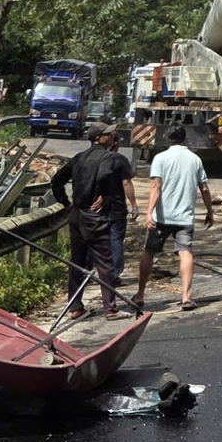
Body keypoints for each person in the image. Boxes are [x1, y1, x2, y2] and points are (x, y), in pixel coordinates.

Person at [50, 126, 126, 319]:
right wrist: (104, 195)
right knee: (105, 263)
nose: (113, 136)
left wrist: (65, 202)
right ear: (99, 138)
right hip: (94, 216)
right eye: (109, 134)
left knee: (77, 262)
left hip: (76, 215)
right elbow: (104, 176)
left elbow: (56, 180)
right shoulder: (108, 157)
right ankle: (111, 309)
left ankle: (75, 307)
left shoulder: (79, 157)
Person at [136, 127, 212, 312]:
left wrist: (148, 213)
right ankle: (186, 297)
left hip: (161, 217)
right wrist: (210, 211)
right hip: (184, 218)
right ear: (184, 138)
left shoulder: (160, 158)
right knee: (185, 252)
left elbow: (156, 187)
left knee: (149, 252)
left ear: (167, 138)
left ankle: (140, 295)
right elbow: (204, 188)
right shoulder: (195, 159)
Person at [92, 126, 138, 317]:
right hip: (116, 207)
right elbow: (126, 183)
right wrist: (134, 205)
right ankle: (114, 275)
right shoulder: (119, 160)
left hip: (95, 208)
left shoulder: (92, 159)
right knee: (116, 239)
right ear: (116, 145)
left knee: (99, 242)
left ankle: (98, 273)